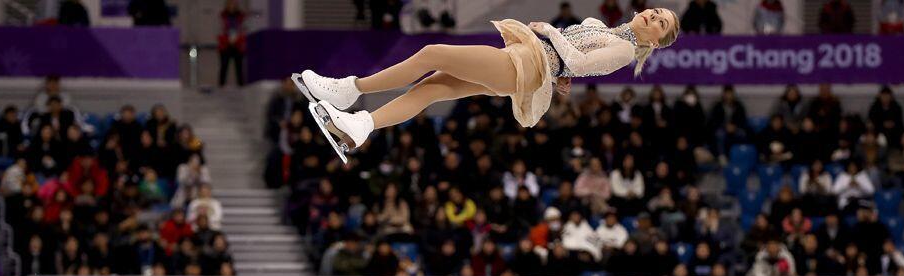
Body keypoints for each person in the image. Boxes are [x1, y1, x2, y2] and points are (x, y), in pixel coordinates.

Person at [292, 8, 680, 160]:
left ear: (655, 42)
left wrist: (549, 32)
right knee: (433, 89)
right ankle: (361, 126)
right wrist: (563, 72)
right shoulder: (602, 28)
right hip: (531, 63)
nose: (654, 17)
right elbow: (575, 65)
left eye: (661, 24)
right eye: (658, 12)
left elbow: (577, 59)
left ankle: (349, 90)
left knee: (432, 53)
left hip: (529, 64)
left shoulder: (625, 52)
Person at [218, 0, 247, 87]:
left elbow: (244, 30)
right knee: (224, 67)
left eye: (233, 4)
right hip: (225, 45)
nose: (231, 6)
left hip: (237, 46)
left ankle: (241, 86)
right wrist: (226, 40)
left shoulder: (241, 16)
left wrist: (238, 40)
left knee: (239, 68)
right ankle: (221, 86)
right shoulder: (222, 16)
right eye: (230, 4)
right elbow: (218, 30)